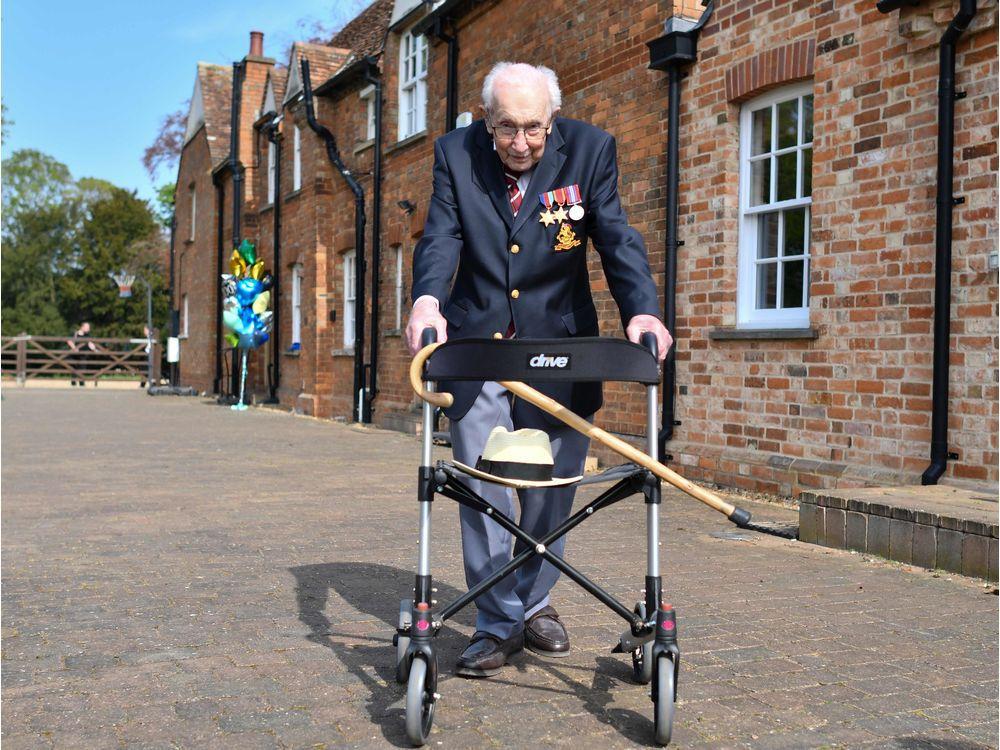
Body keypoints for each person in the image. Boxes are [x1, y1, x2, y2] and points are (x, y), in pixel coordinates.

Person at [406, 62, 673, 678]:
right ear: (485, 120)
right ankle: (497, 622)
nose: (521, 143)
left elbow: (615, 237)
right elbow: (440, 237)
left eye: (533, 128)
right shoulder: (454, 154)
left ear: (552, 120)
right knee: (483, 485)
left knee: (554, 490)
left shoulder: (591, 150)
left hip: (562, 343)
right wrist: (426, 301)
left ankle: (537, 603)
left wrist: (642, 313)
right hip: (478, 346)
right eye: (506, 128)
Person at [67, 322, 96, 387]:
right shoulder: (75, 333)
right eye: (87, 327)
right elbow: (69, 341)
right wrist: (74, 348)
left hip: (84, 355)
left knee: (82, 368)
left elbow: (90, 343)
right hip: (75, 354)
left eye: (89, 327)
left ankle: (81, 383)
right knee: (74, 368)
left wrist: (94, 349)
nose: (89, 329)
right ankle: (73, 383)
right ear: (82, 327)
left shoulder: (88, 335)